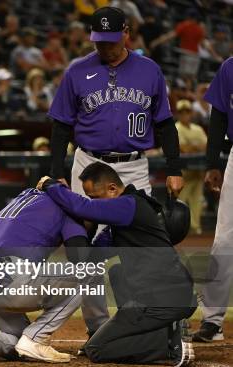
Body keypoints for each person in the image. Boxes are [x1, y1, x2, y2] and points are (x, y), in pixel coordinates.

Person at [48, 7, 184, 339]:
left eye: (111, 41)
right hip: (87, 167)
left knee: (141, 247)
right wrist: (56, 172)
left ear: (127, 33)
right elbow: (61, 126)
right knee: (84, 252)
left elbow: (165, 124)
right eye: (99, 42)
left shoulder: (149, 70)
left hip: (134, 167)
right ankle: (99, 329)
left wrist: (174, 169)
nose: (105, 48)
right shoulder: (77, 72)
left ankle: (158, 319)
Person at [38, 162, 197, 367]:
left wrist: (51, 184)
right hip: (172, 295)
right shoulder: (121, 220)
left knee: (97, 350)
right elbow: (91, 259)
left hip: (163, 298)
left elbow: (81, 207)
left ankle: (169, 344)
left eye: (95, 197)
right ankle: (166, 328)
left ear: (113, 189)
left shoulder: (129, 204)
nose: (93, 203)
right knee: (117, 271)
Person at [0, 188, 94, 365]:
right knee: (90, 274)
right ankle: (36, 338)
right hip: (8, 275)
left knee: (20, 346)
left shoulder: (24, 199)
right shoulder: (68, 208)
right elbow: (80, 257)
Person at [193, 57, 233, 343]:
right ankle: (213, 320)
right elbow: (218, 115)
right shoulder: (230, 67)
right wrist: (212, 163)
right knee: (223, 241)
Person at [175, 99, 207, 235]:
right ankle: (180, 230)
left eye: (187, 112)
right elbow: (183, 148)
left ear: (191, 113)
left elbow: (207, 146)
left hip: (198, 172)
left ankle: (195, 228)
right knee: (181, 201)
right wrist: (196, 147)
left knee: (197, 201)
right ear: (178, 114)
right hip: (183, 172)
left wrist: (192, 146)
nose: (185, 115)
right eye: (182, 112)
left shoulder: (197, 129)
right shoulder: (176, 127)